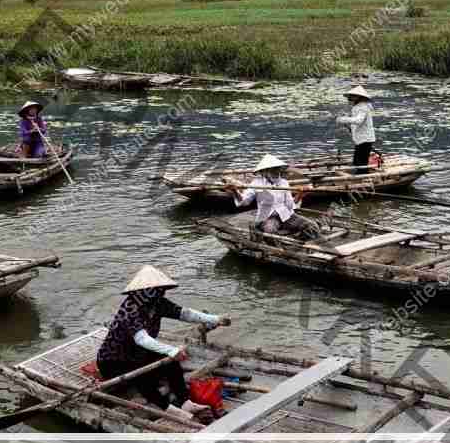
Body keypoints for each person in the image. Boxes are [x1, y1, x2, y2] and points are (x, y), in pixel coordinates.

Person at [96, 265, 230, 422]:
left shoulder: (157, 303)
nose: (160, 292)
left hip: (139, 354)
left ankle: (185, 402)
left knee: (171, 364)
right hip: (114, 361)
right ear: (145, 290)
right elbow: (142, 339)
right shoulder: (130, 309)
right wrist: (171, 350)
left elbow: (184, 313)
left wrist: (214, 319)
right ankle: (170, 409)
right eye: (156, 289)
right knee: (143, 377)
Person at [225, 155, 322, 240]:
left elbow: (290, 205)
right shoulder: (257, 183)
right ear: (265, 171)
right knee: (270, 233)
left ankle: (298, 241)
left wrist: (300, 194)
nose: (276, 172)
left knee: (311, 226)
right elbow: (244, 202)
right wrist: (234, 191)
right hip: (268, 217)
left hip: (286, 215)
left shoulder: (284, 182)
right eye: (273, 169)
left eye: (277, 169)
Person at [336, 86, 376, 173]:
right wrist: (347, 119)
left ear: (360, 97)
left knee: (361, 163)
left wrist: (343, 119)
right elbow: (356, 121)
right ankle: (362, 175)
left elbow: (358, 120)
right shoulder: (358, 106)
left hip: (365, 139)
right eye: (351, 96)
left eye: (354, 96)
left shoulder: (363, 107)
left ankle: (364, 178)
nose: (351, 98)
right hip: (361, 139)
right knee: (357, 162)